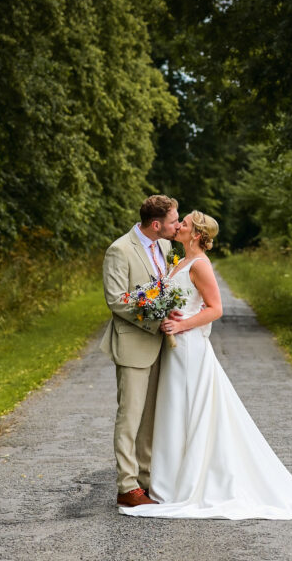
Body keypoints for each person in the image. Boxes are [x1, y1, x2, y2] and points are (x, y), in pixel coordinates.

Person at [120, 209, 292, 520]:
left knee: (191, 410)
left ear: (195, 234)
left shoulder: (201, 265)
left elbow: (216, 309)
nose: (178, 226)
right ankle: (170, 480)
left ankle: (191, 481)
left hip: (190, 348)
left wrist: (182, 326)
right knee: (175, 411)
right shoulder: (178, 260)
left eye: (184, 224)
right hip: (175, 350)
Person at [100, 194, 181, 507]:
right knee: (130, 417)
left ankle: (145, 483)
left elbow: (166, 287)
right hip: (134, 343)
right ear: (157, 224)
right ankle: (126, 487)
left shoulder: (163, 246)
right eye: (175, 221)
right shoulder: (119, 250)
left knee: (151, 418)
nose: (178, 225)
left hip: (162, 346)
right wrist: (155, 320)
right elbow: (117, 300)